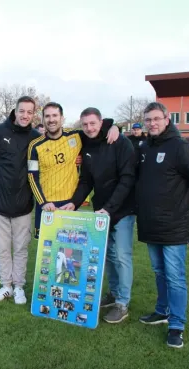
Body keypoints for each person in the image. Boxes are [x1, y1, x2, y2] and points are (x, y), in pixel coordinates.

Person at [136, 102, 189, 349]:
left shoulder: (180, 147)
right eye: (148, 120)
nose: (152, 123)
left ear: (167, 119)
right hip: (151, 223)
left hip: (174, 225)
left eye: (156, 119)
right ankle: (162, 311)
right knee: (159, 272)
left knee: (175, 277)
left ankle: (177, 325)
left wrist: (182, 204)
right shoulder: (144, 147)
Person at [71, 107, 137, 324]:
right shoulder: (86, 144)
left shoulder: (120, 142)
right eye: (85, 124)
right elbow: (86, 181)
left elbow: (127, 179)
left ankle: (122, 303)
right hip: (101, 211)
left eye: (93, 123)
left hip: (122, 208)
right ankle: (113, 293)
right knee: (107, 255)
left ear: (101, 122)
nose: (89, 128)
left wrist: (110, 208)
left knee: (121, 255)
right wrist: (74, 203)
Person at [0, 96, 41, 304]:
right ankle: (5, 285)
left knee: (21, 248)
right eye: (22, 111)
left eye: (29, 112)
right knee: (3, 248)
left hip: (23, 205)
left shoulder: (35, 137)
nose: (25, 115)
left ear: (34, 114)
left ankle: (19, 288)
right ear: (15, 111)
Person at [27, 102, 118, 238]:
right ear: (43, 120)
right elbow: (32, 176)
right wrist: (43, 202)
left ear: (62, 118)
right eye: (47, 116)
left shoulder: (76, 136)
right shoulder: (34, 146)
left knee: (71, 247)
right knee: (45, 251)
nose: (51, 119)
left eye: (55, 115)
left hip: (70, 204)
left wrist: (114, 127)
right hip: (47, 205)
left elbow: (97, 129)